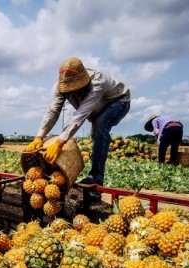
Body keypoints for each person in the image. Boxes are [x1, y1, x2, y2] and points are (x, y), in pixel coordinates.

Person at [25, 57, 131, 201]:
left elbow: (80, 115)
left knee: (100, 128)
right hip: (96, 109)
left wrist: (59, 142)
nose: (71, 92)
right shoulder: (62, 85)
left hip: (118, 101)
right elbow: (53, 111)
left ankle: (96, 178)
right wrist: (39, 136)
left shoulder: (97, 82)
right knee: (96, 129)